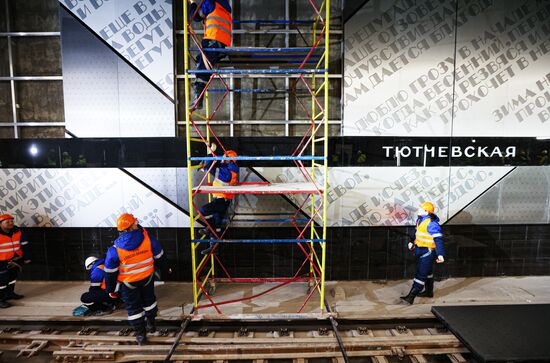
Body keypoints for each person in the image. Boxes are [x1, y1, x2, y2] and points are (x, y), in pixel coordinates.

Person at [104, 213, 170, 345]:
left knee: (133, 309)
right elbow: (160, 257)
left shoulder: (115, 250)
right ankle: (151, 324)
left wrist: (110, 290)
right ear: (129, 228)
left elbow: (110, 273)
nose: (137, 223)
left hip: (129, 284)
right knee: (149, 302)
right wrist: (165, 269)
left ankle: (141, 335)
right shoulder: (148, 240)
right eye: (134, 222)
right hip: (147, 279)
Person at [188, 0, 232, 108]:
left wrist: (192, 3)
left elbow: (196, 16)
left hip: (213, 40)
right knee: (201, 60)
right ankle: (198, 95)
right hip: (222, 43)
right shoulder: (224, 6)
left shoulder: (211, 2)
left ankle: (198, 97)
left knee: (202, 67)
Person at [401, 202, 445, 305]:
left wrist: (440, 254)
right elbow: (417, 233)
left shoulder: (432, 224)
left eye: (421, 208)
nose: (419, 209)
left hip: (428, 251)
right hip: (420, 249)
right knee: (428, 272)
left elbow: (438, 240)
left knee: (420, 274)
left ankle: (411, 297)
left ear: (426, 211)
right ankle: (429, 292)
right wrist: (412, 242)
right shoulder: (420, 220)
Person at [198, 143, 239, 255]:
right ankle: (213, 247)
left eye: (225, 158)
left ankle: (208, 228)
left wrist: (210, 154)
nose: (222, 159)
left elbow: (209, 167)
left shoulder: (226, 171)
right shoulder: (230, 169)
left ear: (230, 161)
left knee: (203, 210)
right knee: (217, 226)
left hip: (222, 200)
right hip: (222, 200)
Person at [0, 214, 30, 308]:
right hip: (2, 261)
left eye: (12, 221)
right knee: (2, 282)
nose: (10, 223)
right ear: (1, 223)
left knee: (12, 278)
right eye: (7, 222)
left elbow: (25, 245)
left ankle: (10, 294)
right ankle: (1, 300)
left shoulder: (18, 231)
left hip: (16, 260)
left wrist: (27, 257)